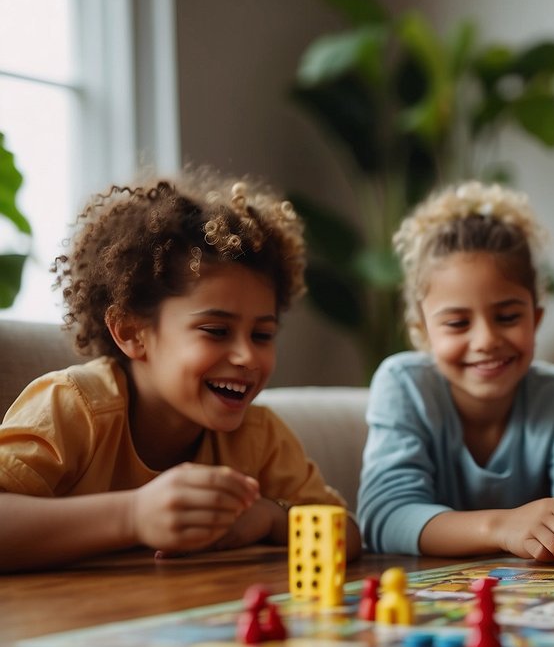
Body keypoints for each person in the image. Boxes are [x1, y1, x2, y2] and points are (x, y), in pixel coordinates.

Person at [0, 171, 361, 572]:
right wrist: (133, 516)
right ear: (131, 332)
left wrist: (272, 519)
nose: (246, 356)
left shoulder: (258, 436)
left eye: (262, 335)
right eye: (216, 331)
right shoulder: (75, 405)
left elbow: (348, 536)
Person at [357, 181, 554, 561]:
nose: (486, 340)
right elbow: (385, 516)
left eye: (508, 317)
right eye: (458, 323)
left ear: (536, 319)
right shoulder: (403, 384)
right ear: (422, 332)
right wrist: (502, 527)